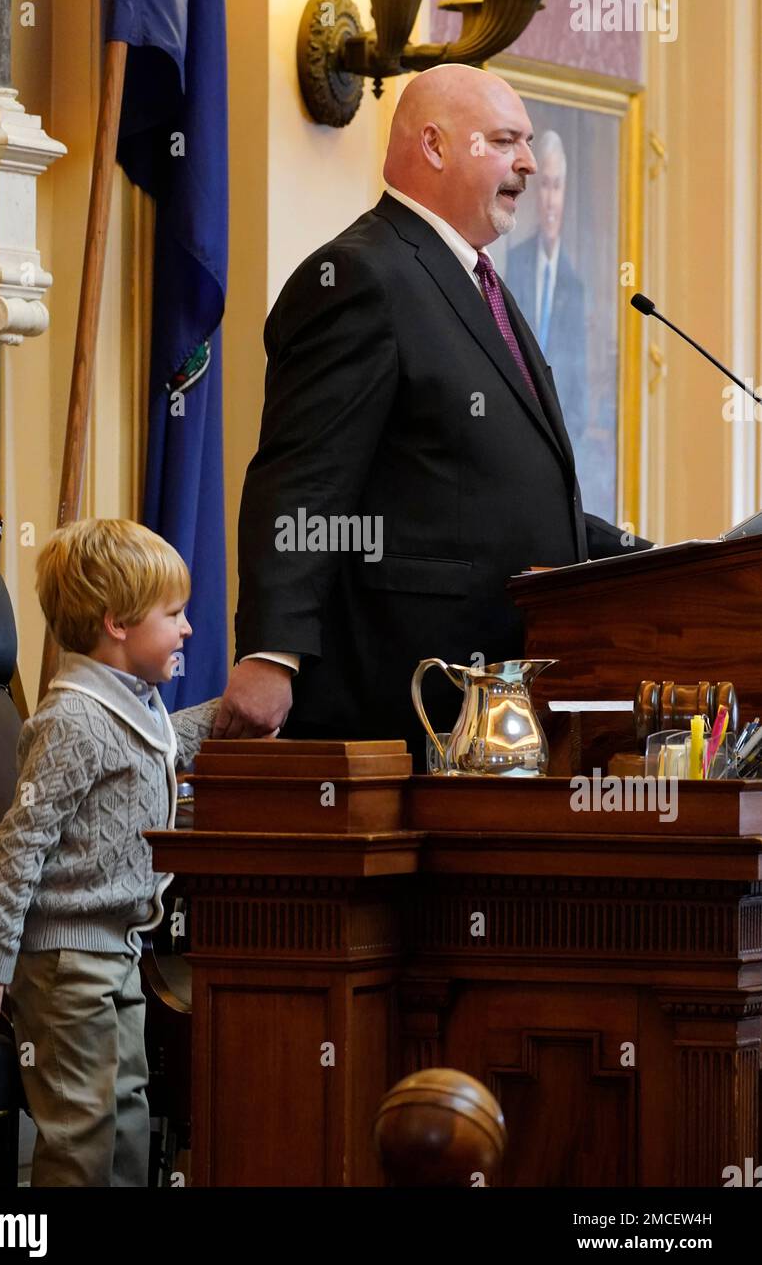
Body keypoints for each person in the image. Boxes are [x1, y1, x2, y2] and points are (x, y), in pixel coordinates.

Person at [214, 64, 651, 765]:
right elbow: (302, 479)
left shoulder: (478, 282)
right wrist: (274, 653)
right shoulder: (361, 277)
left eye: (529, 143)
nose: (531, 164)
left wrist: (654, 562)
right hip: (403, 699)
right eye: (506, 141)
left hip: (501, 701)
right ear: (437, 146)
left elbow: (497, 489)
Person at [0, 518, 219, 1187]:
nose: (187, 629)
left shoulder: (130, 704)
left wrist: (231, 710)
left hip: (116, 949)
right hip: (65, 964)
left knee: (127, 1118)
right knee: (82, 1136)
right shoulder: (73, 719)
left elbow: (157, 749)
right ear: (118, 624)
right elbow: (22, 840)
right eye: (174, 614)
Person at [506, 129, 588, 448]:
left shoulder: (574, 286)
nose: (549, 200)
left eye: (556, 187)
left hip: (558, 437)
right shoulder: (514, 263)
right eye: (543, 187)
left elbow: (578, 389)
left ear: (564, 193)